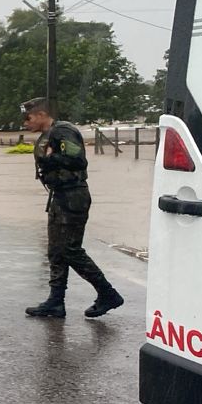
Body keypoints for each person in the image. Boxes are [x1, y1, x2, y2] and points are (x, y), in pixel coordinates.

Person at [21, 97, 125, 318]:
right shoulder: (47, 135)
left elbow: (78, 160)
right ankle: (55, 302)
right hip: (59, 196)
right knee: (56, 252)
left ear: (41, 115)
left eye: (28, 118)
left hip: (73, 196)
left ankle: (108, 294)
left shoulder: (63, 132)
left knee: (70, 250)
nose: (25, 123)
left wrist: (51, 160)